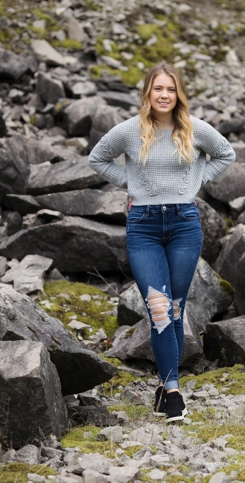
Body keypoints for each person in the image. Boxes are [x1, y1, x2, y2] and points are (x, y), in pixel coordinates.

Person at [88, 64, 234, 423]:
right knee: (158, 307)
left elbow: (226, 154)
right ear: (148, 94)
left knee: (174, 311)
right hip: (144, 227)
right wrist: (131, 184)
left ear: (178, 94)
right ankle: (173, 392)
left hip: (185, 225)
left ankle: (165, 385)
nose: (164, 95)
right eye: (158, 89)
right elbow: (97, 159)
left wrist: (196, 182)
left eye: (170, 89)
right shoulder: (129, 131)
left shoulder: (195, 129)